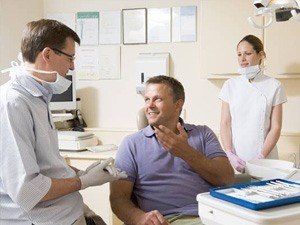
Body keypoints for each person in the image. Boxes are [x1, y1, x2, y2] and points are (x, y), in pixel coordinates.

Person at [0, 19, 126, 225]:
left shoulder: (38, 97)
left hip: (66, 210)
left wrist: (83, 173)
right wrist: (83, 182)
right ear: (47, 54)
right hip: (44, 219)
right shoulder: (13, 104)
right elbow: (28, 191)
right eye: (70, 58)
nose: (73, 66)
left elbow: (48, 166)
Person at [110, 75, 234, 225]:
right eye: (147, 99)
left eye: (158, 99)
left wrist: (185, 152)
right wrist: (139, 218)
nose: (150, 105)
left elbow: (226, 179)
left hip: (212, 216)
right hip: (167, 220)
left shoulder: (203, 134)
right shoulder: (131, 144)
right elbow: (118, 199)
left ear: (178, 105)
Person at [219, 34, 287, 173]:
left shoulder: (274, 86)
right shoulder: (230, 85)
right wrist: (229, 153)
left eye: (247, 54)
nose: (242, 59)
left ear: (260, 54)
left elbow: (276, 127)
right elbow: (225, 123)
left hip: (266, 160)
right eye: (239, 54)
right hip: (237, 159)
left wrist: (261, 156)